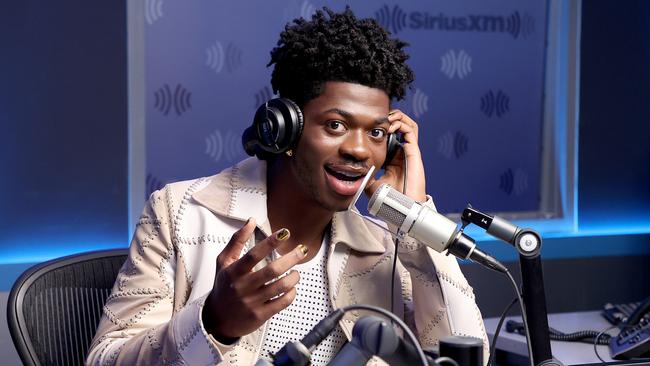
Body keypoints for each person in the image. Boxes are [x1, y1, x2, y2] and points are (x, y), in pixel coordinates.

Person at [87, 7, 488, 366]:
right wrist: (213, 322)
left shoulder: (390, 243)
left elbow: (466, 356)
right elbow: (106, 360)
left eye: (378, 132)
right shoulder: (180, 212)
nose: (359, 150)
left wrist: (415, 221)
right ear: (285, 127)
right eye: (335, 125)